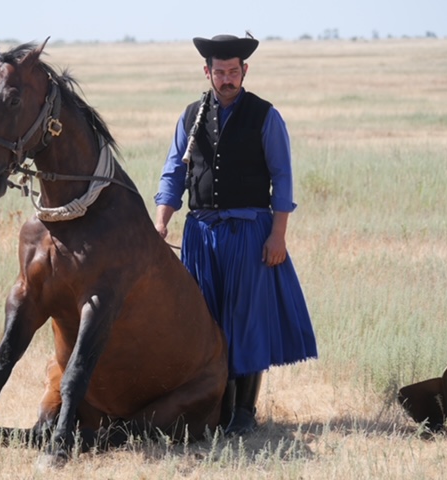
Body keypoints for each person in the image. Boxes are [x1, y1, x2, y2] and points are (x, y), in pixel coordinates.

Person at [154, 34, 318, 436]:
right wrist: (161, 222)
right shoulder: (191, 115)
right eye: (220, 72)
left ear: (245, 71)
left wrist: (277, 236)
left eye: (234, 72)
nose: (227, 79)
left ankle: (244, 412)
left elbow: (282, 178)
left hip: (250, 232)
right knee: (205, 320)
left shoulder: (266, 116)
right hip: (201, 234)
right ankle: (217, 408)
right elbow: (174, 171)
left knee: (246, 321)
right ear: (206, 72)